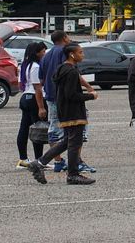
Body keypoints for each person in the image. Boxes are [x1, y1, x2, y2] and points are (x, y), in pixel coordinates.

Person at [28, 43, 97, 185]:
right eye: (80, 52)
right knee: (75, 143)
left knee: (67, 141)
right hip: (72, 111)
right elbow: (71, 95)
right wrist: (91, 96)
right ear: (72, 54)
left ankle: (39, 163)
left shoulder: (63, 68)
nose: (82, 55)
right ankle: (73, 174)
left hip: (64, 110)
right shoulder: (70, 71)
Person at [15, 41, 48, 169]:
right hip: (35, 98)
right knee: (39, 129)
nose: (44, 53)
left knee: (24, 128)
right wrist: (41, 107)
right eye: (43, 51)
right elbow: (37, 88)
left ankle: (23, 159)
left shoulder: (24, 65)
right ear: (36, 52)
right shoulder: (35, 66)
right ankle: (39, 160)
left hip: (25, 97)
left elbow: (20, 85)